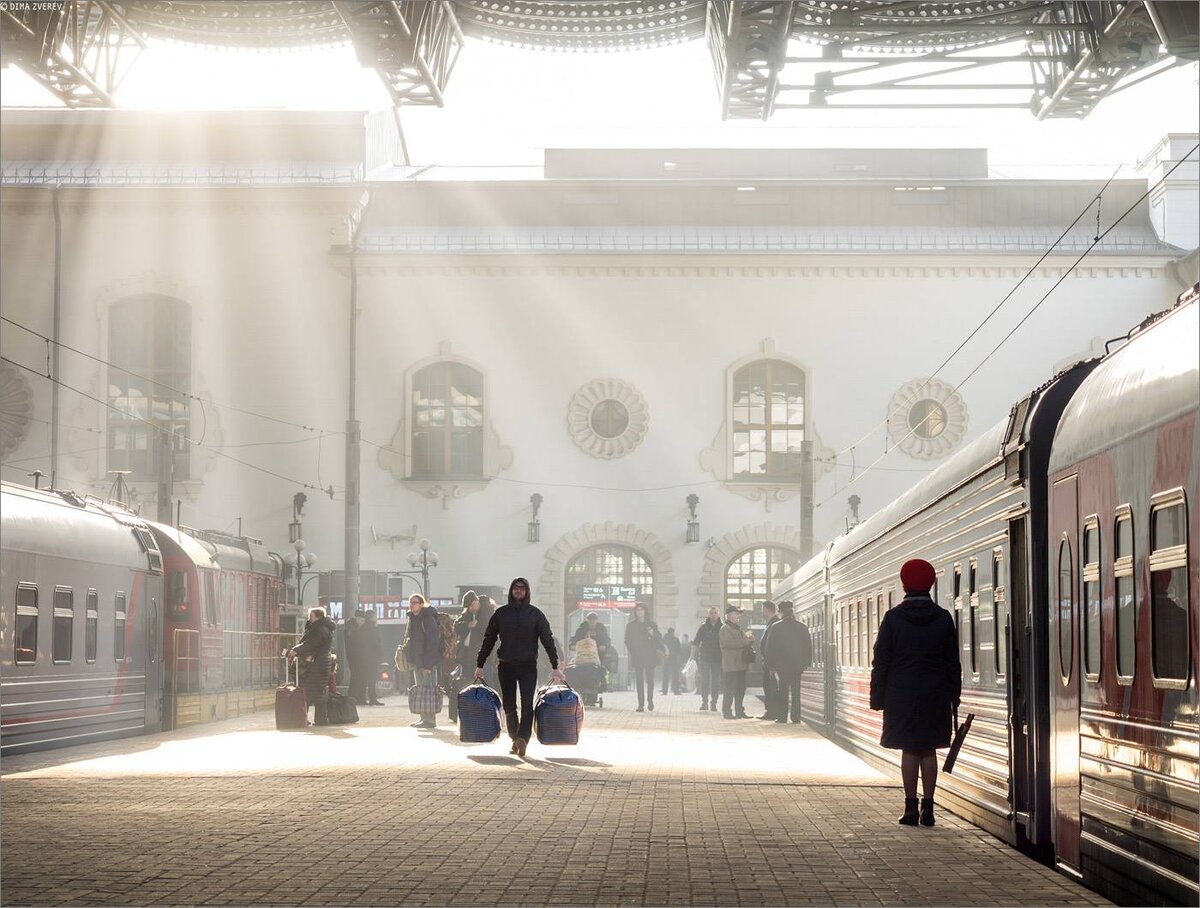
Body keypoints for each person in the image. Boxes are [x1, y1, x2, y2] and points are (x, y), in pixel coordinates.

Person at [870, 558, 961, 828]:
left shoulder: (893, 618)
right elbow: (952, 662)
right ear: (932, 583)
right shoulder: (943, 618)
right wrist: (954, 696)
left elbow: (881, 661)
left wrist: (878, 697)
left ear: (904, 584)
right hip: (935, 692)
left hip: (901, 693)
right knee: (928, 750)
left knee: (909, 750)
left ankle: (910, 809)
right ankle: (929, 809)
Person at [475, 577, 563, 757]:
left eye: (522, 588)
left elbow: (548, 640)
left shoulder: (535, 614)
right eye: (516, 587)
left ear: (527, 591)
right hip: (505, 665)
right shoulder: (501, 614)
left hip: (528, 666)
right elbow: (489, 640)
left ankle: (522, 738)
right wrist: (480, 664)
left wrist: (555, 665)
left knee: (526, 704)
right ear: (511, 590)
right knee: (509, 705)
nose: (519, 590)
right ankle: (517, 738)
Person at [285, 607, 336, 727]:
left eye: (311, 616)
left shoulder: (320, 629)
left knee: (306, 690)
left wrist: (295, 650)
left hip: (316, 664)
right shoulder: (322, 628)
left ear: (317, 616)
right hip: (320, 663)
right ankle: (321, 719)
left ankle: (302, 718)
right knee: (319, 691)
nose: (309, 618)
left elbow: (311, 644)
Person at [763, 601, 813, 724]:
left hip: (782, 667)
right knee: (796, 692)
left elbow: (770, 648)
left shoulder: (776, 627)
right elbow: (808, 647)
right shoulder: (802, 627)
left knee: (783, 691)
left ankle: (782, 717)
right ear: (792, 612)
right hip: (797, 666)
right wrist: (805, 663)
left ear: (781, 613)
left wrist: (771, 666)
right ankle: (796, 717)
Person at [404, 593, 442, 730]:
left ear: (421, 604)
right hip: (417, 662)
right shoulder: (412, 619)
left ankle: (430, 720)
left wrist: (428, 664)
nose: (412, 604)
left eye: (414, 602)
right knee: (421, 691)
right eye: (410, 602)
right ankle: (423, 718)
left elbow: (432, 643)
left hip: (427, 663)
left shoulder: (427, 618)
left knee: (429, 691)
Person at [624, 604, 663, 712]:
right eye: (637, 610)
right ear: (635, 612)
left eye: (641, 610)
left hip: (650, 656)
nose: (639, 612)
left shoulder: (651, 624)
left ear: (645, 611)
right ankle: (640, 704)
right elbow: (627, 640)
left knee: (650, 680)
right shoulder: (631, 625)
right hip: (638, 656)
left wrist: (653, 634)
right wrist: (633, 651)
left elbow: (659, 639)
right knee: (639, 681)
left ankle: (650, 700)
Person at [455, 591, 496, 686]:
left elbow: (491, 631)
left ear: (477, 601)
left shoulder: (487, 611)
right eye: (469, 607)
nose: (471, 608)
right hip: (468, 656)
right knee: (468, 685)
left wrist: (478, 625)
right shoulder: (467, 613)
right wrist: (467, 625)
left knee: (487, 684)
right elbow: (456, 626)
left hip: (484, 657)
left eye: (472, 605)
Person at [719, 606, 753, 719]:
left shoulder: (738, 628)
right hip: (731, 665)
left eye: (739, 614)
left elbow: (741, 643)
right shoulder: (725, 629)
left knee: (740, 689)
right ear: (729, 615)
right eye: (736, 613)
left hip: (740, 664)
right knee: (729, 689)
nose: (738, 616)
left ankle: (739, 711)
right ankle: (727, 712)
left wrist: (749, 641)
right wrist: (745, 641)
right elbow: (727, 643)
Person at [692, 607, 724, 711]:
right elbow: (696, 642)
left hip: (717, 658)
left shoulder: (722, 627)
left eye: (715, 613)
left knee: (716, 681)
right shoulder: (703, 627)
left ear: (718, 614)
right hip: (705, 657)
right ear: (709, 615)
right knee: (704, 680)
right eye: (711, 613)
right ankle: (704, 702)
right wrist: (692, 657)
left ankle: (713, 703)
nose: (713, 615)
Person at [757, 600, 781, 719]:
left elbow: (773, 645)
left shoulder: (774, 624)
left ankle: (772, 712)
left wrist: (772, 665)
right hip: (769, 663)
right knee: (769, 688)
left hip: (771, 664)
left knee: (771, 688)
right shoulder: (771, 623)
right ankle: (770, 711)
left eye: (762, 610)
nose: (762, 613)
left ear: (766, 610)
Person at [358, 610, 384, 705]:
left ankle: (362, 698)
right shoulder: (373, 628)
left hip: (363, 657)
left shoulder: (362, 628)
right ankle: (372, 698)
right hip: (372, 657)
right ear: (371, 617)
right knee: (372, 678)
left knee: (364, 678)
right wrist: (381, 653)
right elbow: (377, 642)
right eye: (375, 616)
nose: (376, 618)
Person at [660, 627, 682, 695]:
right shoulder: (676, 639)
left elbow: (661, 648)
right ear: (673, 632)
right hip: (674, 658)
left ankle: (664, 691)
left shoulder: (664, 639)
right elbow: (679, 650)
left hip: (666, 658)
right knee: (675, 675)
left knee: (665, 675)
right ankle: (676, 690)